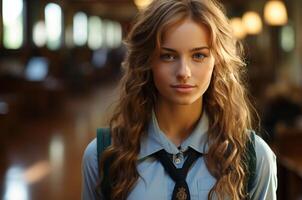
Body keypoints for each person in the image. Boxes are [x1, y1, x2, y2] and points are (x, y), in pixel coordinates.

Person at [82, 0, 277, 200]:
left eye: (199, 55)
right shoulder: (104, 155)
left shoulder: (253, 156)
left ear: (217, 61)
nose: (184, 72)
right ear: (147, 61)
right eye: (168, 56)